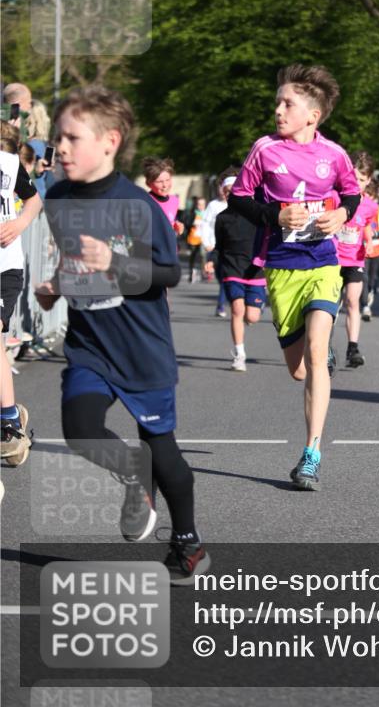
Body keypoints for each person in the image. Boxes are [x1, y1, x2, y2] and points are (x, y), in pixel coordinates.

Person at [34, 85, 209, 584]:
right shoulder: (58, 196)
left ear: (110, 141)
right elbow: (75, 260)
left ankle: (187, 542)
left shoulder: (138, 205)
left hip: (141, 349)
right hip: (90, 344)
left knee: (165, 453)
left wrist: (114, 261)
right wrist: (58, 285)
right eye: (58, 137)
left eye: (72, 138)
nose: (60, 148)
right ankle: (134, 471)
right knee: (80, 428)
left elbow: (168, 274)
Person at [229, 64, 360, 491]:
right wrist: (275, 215)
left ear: (312, 116)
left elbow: (353, 193)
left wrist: (341, 215)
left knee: (318, 353)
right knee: (300, 370)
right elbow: (239, 198)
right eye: (278, 103)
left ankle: (311, 455)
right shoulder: (264, 149)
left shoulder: (334, 154)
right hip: (282, 267)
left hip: (323, 263)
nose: (278, 110)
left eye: (288, 104)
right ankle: (319, 358)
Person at [0, 122, 42, 466]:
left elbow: (33, 200)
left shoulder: (10, 164)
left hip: (5, 266)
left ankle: (9, 420)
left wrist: (20, 223)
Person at [204, 169, 266, 371]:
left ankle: (254, 310)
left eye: (234, 190)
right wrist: (211, 260)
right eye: (227, 191)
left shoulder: (257, 215)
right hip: (232, 269)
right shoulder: (222, 218)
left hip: (255, 270)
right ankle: (240, 355)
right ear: (223, 193)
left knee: (252, 317)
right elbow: (219, 246)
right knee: (237, 310)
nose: (230, 194)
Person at [334, 151, 376, 368]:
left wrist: (369, 241)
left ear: (368, 180)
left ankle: (353, 348)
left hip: (355, 259)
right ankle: (324, 348)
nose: (356, 183)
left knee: (352, 300)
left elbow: (366, 224)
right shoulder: (336, 198)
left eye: (361, 179)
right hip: (333, 258)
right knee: (331, 306)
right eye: (353, 178)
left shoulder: (370, 205)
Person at [201, 172, 234, 314]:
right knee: (221, 278)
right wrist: (206, 243)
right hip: (214, 247)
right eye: (221, 188)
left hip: (230, 249)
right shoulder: (213, 205)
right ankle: (229, 299)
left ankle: (221, 305)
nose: (222, 191)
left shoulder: (239, 206)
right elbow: (205, 224)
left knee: (227, 277)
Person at [142, 157, 184, 237]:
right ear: (148, 183)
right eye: (159, 182)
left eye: (168, 180)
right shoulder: (145, 202)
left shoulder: (174, 200)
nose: (165, 185)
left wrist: (177, 227)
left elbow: (172, 221)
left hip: (170, 244)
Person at [185, 196, 207, 282]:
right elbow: (187, 223)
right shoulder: (192, 213)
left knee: (203, 254)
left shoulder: (207, 214)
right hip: (193, 238)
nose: (200, 206)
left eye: (202, 204)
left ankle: (203, 272)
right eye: (199, 204)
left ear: (205, 205)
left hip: (203, 238)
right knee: (193, 256)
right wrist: (193, 223)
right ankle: (192, 271)